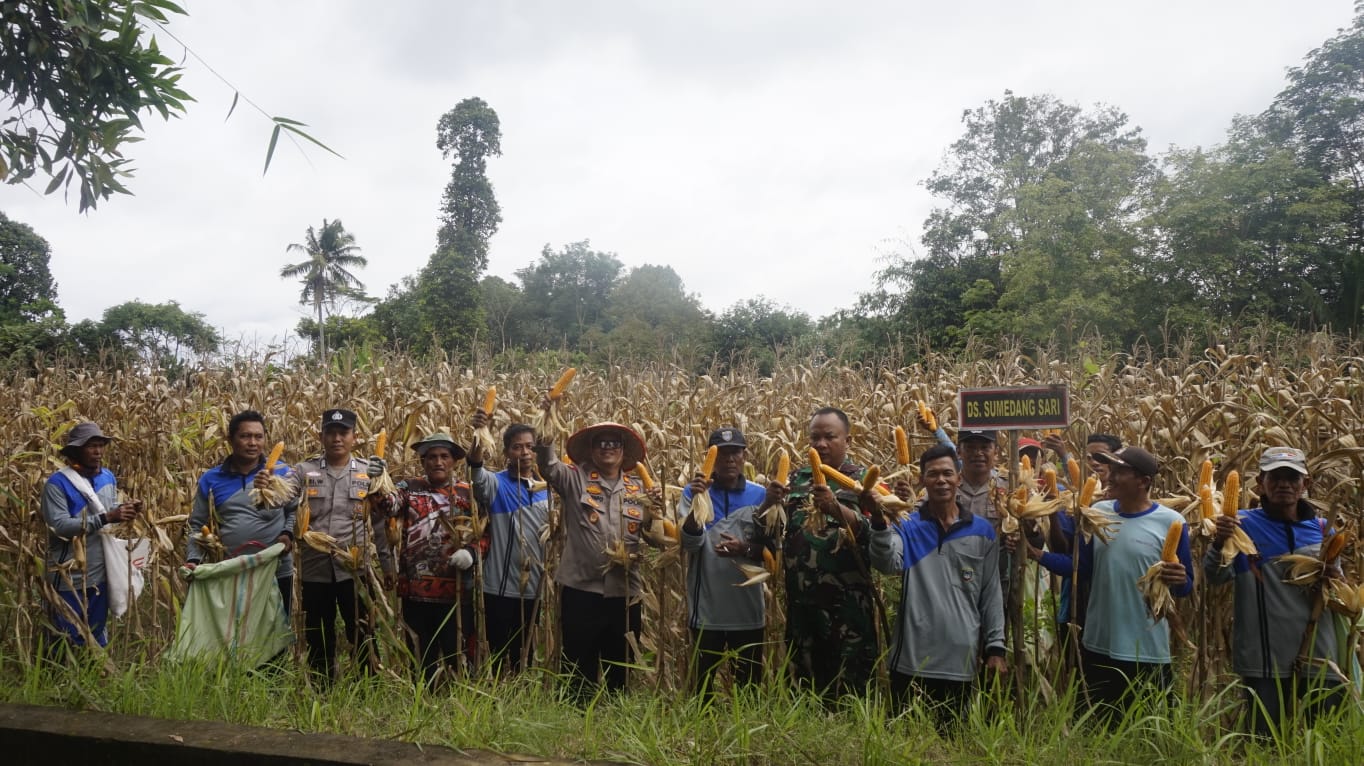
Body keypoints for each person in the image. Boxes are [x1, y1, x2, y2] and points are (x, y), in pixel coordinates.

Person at [1039, 446, 1192, 721]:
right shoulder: (1099, 512)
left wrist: (1181, 579)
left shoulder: (1171, 522)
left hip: (1147, 650)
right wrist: (1035, 554)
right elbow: (1081, 568)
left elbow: (1184, 586)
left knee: (1147, 733)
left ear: (1143, 480)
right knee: (1096, 730)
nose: (1110, 477)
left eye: (1120, 471)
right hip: (1099, 643)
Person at [1205, 446, 1346, 735]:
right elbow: (1215, 577)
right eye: (1275, 477)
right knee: (1265, 743)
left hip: (1320, 654)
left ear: (1305, 484)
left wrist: (1332, 578)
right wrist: (1219, 542)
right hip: (1265, 657)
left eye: (1292, 477)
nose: (1284, 484)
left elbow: (1340, 592)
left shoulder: (1323, 530)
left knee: (1328, 739)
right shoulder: (1241, 525)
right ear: (1261, 483)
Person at [870, 443, 1006, 727]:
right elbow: (888, 563)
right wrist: (880, 524)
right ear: (922, 481)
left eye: (947, 473)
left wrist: (995, 647)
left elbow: (991, 592)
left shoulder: (982, 531)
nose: (941, 480)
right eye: (933, 474)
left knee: (953, 741)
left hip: (961, 661)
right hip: (910, 660)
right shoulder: (908, 525)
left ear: (958, 477)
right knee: (905, 742)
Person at [535, 419, 661, 699]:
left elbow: (656, 539)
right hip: (582, 589)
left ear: (623, 451)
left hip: (625, 592)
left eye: (613, 443)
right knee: (579, 663)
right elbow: (548, 466)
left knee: (621, 663)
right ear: (591, 450)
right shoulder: (574, 478)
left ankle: (617, 716)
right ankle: (576, 719)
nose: (607, 448)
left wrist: (657, 511)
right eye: (600, 443)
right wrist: (546, 419)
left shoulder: (638, 489)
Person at [772, 407, 879, 698]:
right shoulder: (795, 481)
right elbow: (774, 531)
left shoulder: (866, 483)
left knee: (852, 690)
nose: (820, 444)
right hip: (802, 607)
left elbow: (879, 534)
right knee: (804, 689)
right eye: (814, 438)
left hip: (848, 610)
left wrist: (837, 508)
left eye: (829, 437)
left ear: (848, 440)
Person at [294, 408, 395, 683]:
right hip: (315, 569)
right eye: (331, 433)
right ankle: (321, 685)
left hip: (355, 570)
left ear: (355, 437)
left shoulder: (369, 473)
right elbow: (280, 500)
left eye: (343, 433)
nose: (337, 438)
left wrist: (388, 566)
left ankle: (368, 685)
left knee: (363, 629)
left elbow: (381, 525)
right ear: (321, 436)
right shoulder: (303, 472)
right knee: (318, 632)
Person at [679, 427, 781, 698]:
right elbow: (690, 544)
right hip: (705, 613)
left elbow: (773, 552)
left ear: (744, 455)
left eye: (735, 452)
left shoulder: (761, 495)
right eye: (722, 453)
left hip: (748, 613)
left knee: (749, 692)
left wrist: (744, 548)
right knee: (701, 692)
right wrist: (697, 503)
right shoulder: (692, 493)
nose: (729, 459)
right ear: (710, 457)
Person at [385, 431, 476, 684]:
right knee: (420, 656)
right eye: (431, 457)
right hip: (415, 591)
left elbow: (484, 533)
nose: (438, 462)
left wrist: (470, 553)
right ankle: (421, 701)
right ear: (423, 462)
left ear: (454, 460)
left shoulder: (467, 493)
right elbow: (388, 505)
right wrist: (377, 480)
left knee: (456, 655)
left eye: (444, 456)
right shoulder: (409, 488)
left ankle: (460, 704)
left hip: (456, 592)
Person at [41, 421, 142, 649]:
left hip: (100, 573)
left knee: (96, 631)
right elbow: (59, 526)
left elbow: (108, 509)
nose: (98, 452)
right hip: (68, 575)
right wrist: (107, 518)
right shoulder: (57, 484)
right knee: (66, 635)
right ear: (76, 451)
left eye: (100, 445)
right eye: (91, 446)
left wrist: (126, 510)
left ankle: (94, 677)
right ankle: (59, 679)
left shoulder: (108, 477)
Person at [185, 410, 298, 610]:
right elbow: (197, 524)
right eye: (245, 436)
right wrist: (194, 559)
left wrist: (287, 533)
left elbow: (294, 511)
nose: (253, 443)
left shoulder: (282, 472)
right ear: (231, 439)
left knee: (277, 634)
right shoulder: (211, 479)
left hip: (275, 569)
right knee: (235, 633)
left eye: (258, 436)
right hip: (231, 570)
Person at [467, 414, 549, 674]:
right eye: (517, 447)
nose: (524, 452)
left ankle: (520, 696)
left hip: (534, 588)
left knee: (523, 654)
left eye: (529, 447)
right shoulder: (496, 484)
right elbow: (476, 471)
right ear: (506, 452)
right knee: (498, 653)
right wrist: (481, 433)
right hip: (499, 588)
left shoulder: (547, 489)